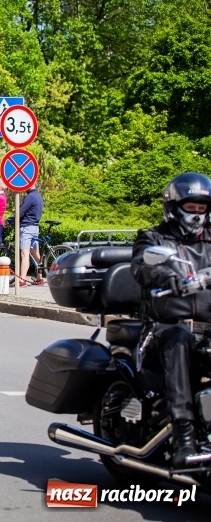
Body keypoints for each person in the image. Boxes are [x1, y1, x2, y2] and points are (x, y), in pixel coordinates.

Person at [130, 172, 211, 468]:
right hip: (162, 330)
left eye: (203, 209)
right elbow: (143, 267)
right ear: (175, 207)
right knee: (180, 340)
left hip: (206, 330)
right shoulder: (154, 238)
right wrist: (168, 278)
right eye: (192, 208)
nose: (197, 215)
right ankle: (184, 439)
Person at [6, 183, 43, 285]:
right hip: (35, 227)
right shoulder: (38, 196)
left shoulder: (30, 197)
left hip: (27, 227)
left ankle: (22, 279)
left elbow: (21, 212)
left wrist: (9, 221)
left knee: (24, 253)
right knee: (35, 253)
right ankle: (39, 278)